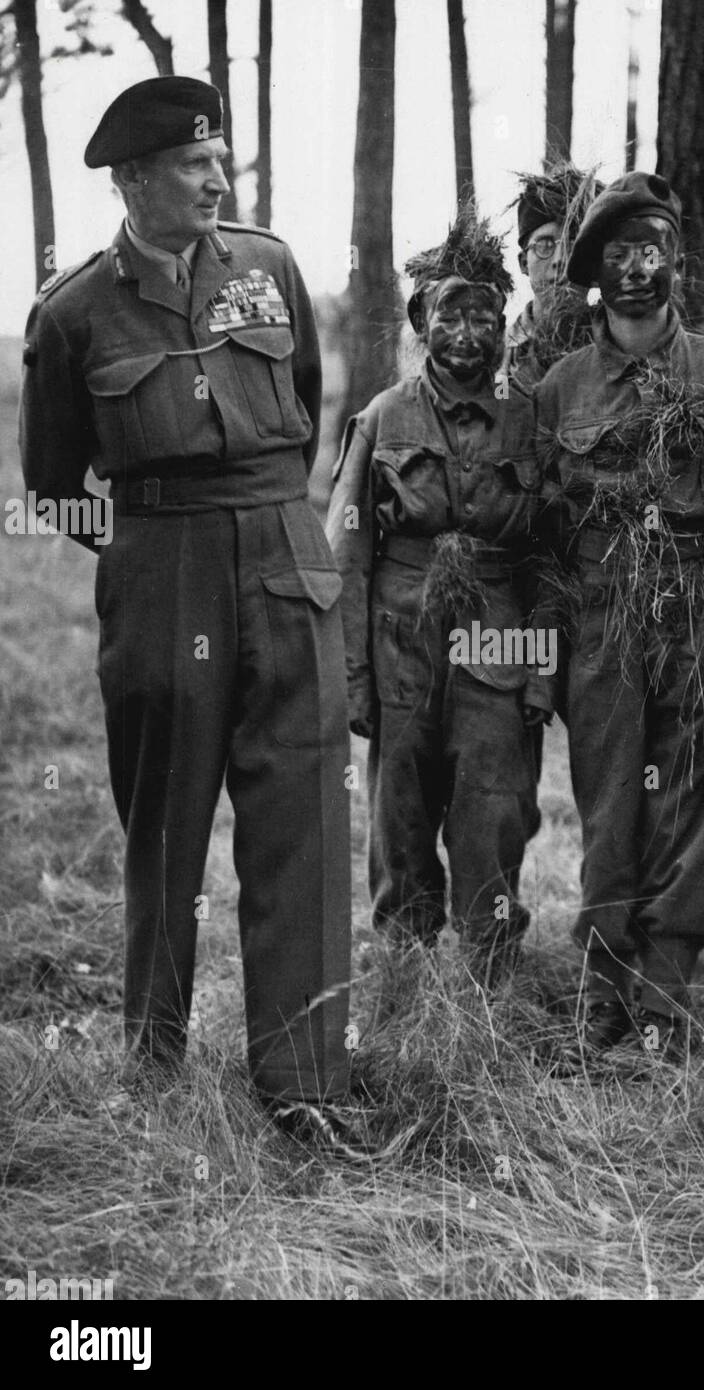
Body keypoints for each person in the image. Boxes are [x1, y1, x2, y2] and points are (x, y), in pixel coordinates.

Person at [18, 77, 352, 1146]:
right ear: (133, 180)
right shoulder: (74, 312)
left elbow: (300, 402)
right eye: (193, 167)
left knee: (302, 813)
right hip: (162, 567)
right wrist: (144, 552)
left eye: (220, 162)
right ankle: (153, 1062)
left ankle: (302, 1079)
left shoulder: (270, 266)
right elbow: (55, 478)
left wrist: (263, 529)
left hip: (283, 556)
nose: (217, 179)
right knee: (163, 825)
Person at [536, 172, 704, 1058]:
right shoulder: (562, 387)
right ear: (596, 273)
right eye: (620, 254)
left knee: (694, 809)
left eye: (653, 251)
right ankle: (602, 988)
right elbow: (545, 530)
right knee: (610, 809)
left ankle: (664, 996)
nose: (638, 270)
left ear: (675, 261)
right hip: (602, 626)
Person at [325, 209, 548, 988]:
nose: (466, 329)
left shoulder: (527, 423)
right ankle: (403, 979)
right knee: (401, 816)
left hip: (499, 645)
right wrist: (352, 676)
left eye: (484, 314)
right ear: (423, 322)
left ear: (501, 327)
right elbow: (346, 554)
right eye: (449, 312)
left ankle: (490, 985)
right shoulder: (385, 416)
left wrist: (542, 673)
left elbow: (548, 560)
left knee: (495, 810)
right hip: (402, 646)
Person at [503, 166, 602, 391]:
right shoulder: (501, 355)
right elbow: (499, 414)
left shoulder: (617, 345)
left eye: (574, 244)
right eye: (545, 246)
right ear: (523, 263)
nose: (561, 260)